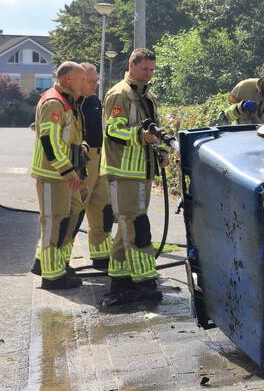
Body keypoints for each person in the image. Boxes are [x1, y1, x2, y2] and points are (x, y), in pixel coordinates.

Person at [100, 47, 165, 306]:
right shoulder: (120, 94)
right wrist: (140, 136)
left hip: (142, 170)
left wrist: (159, 149)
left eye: (151, 70)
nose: (148, 74)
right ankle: (144, 282)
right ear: (131, 65)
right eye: (144, 69)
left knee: (126, 227)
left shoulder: (148, 95)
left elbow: (154, 129)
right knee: (137, 226)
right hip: (124, 172)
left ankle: (120, 280)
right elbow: (113, 131)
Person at [29, 61, 86, 290]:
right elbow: (49, 141)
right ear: (68, 80)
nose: (85, 84)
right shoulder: (54, 102)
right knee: (54, 222)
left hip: (64, 174)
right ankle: (52, 276)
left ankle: (55, 266)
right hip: (53, 175)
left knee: (71, 215)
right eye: (81, 79)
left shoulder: (66, 101)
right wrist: (67, 170)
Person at [76, 63, 114, 270]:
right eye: (91, 81)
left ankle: (101, 257)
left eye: (96, 80)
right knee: (75, 212)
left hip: (100, 160)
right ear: (79, 81)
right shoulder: (73, 103)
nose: (95, 84)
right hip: (83, 160)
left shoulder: (93, 100)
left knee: (102, 210)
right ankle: (60, 262)